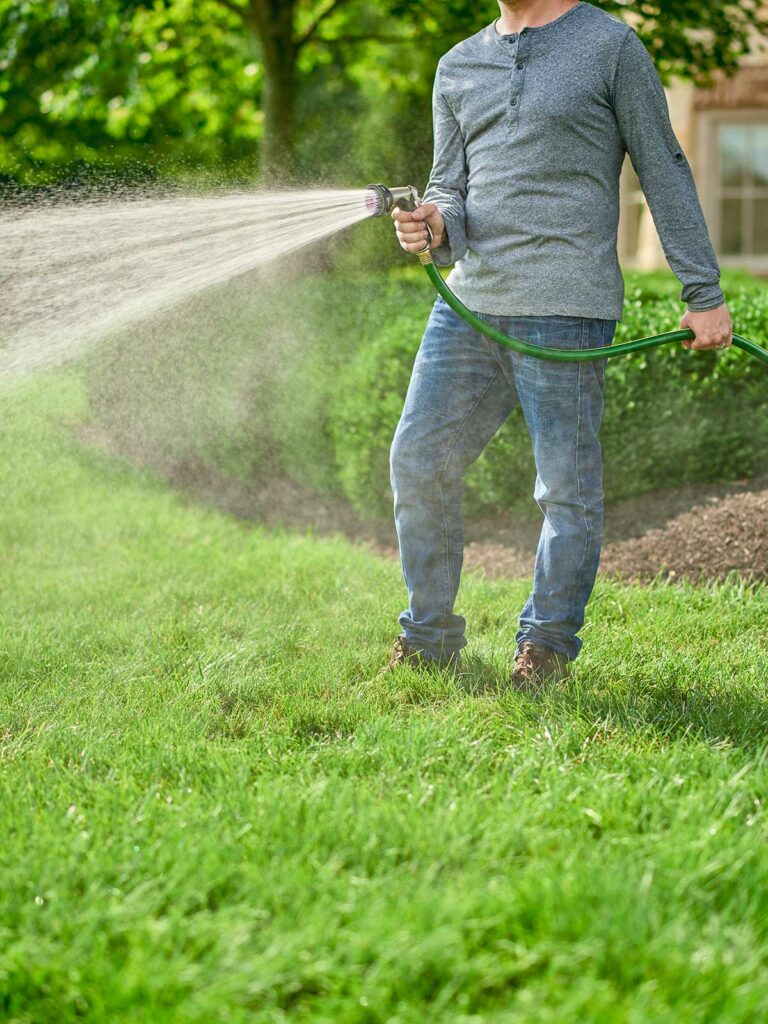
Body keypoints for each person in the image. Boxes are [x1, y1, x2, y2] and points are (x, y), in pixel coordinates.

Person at [382, 0, 733, 689]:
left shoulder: (611, 47)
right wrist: (432, 220)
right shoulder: (459, 64)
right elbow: (449, 187)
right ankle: (428, 637)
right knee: (418, 460)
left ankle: (545, 646)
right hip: (470, 307)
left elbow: (662, 165)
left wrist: (703, 291)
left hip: (566, 309)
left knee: (565, 489)